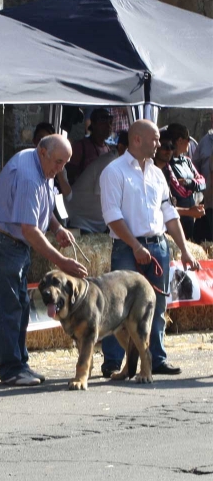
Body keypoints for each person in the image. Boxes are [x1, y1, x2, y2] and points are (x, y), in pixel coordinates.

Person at [0, 134, 88, 386]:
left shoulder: (43, 167)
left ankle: (20, 364)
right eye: (58, 162)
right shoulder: (27, 175)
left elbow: (43, 207)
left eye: (65, 164)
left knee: (20, 304)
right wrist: (61, 262)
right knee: (8, 306)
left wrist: (57, 226)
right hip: (2, 241)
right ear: (42, 152)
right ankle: (11, 369)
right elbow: (29, 229)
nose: (60, 169)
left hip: (14, 242)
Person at [99, 119, 200, 379]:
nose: (160, 144)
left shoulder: (157, 173)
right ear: (137, 140)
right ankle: (113, 361)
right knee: (118, 306)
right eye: (155, 139)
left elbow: (169, 214)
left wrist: (185, 249)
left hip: (158, 246)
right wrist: (134, 245)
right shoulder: (114, 172)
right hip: (126, 247)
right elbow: (112, 216)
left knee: (158, 305)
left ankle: (155, 359)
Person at [66, 131, 129, 234]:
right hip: (81, 222)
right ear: (122, 147)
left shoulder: (122, 164)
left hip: (96, 225)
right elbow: (108, 199)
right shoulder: (110, 163)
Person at [153, 130, 205, 223]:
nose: (169, 151)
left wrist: (188, 182)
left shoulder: (169, 169)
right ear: (156, 147)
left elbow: (202, 182)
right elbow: (158, 207)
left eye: (171, 147)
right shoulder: (149, 171)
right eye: (165, 147)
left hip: (180, 217)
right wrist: (189, 211)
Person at [166, 123, 206, 241]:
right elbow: (181, 191)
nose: (189, 143)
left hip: (191, 214)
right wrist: (195, 185)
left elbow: (203, 181)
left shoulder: (187, 161)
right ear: (179, 140)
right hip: (176, 216)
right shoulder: (168, 164)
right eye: (188, 139)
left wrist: (190, 182)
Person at [67, 108, 112, 184]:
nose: (108, 126)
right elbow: (69, 176)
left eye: (110, 122)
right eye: (103, 122)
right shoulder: (80, 147)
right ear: (93, 124)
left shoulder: (108, 149)